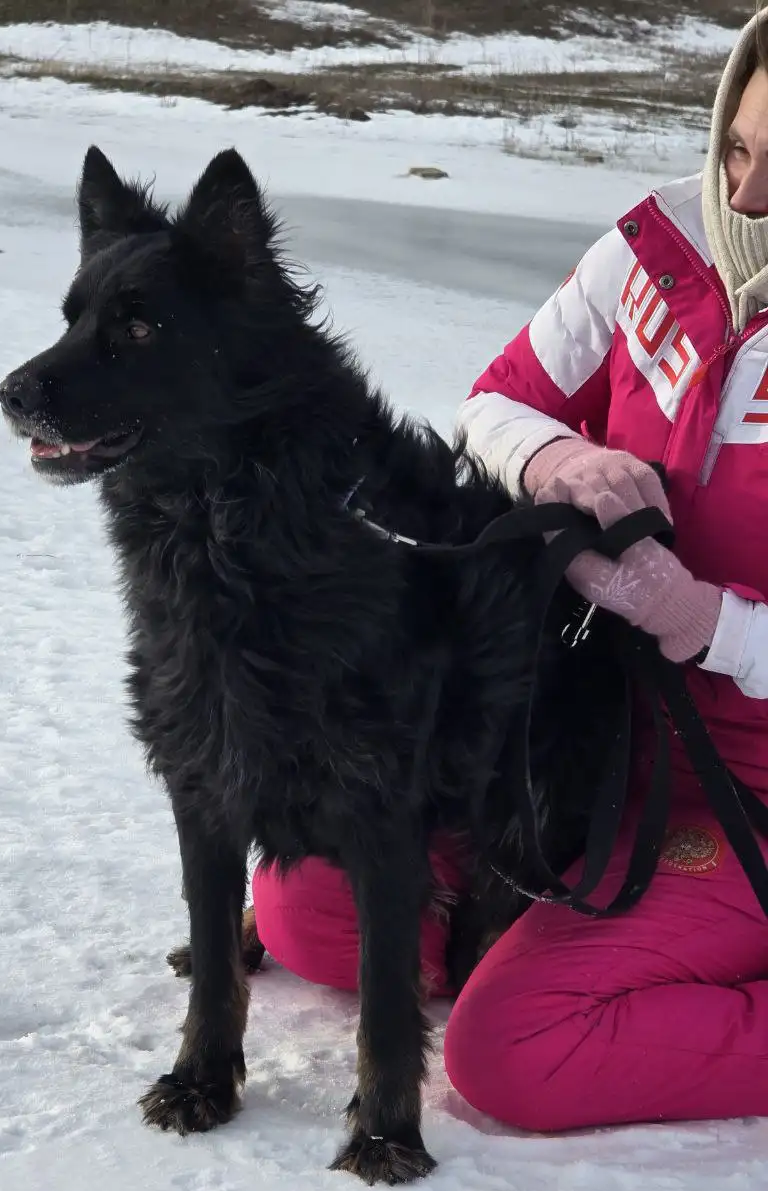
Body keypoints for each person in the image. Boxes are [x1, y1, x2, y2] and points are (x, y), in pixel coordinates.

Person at [249, 8, 768, 1133]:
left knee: (515, 1047)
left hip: (749, 792)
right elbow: (495, 401)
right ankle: (561, 943)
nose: (747, 195)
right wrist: (561, 455)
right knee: (308, 913)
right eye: (738, 145)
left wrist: (713, 624)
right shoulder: (655, 249)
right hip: (584, 739)